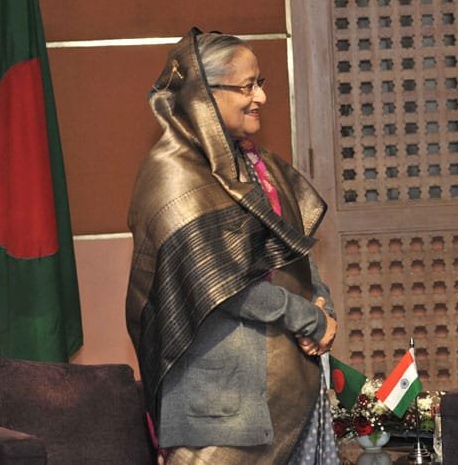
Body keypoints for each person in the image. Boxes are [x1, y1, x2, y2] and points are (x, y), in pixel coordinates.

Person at [126, 28, 340, 464]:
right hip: (219, 406)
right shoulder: (174, 176)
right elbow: (221, 283)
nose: (261, 96)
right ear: (204, 94)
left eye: (260, 83)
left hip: (289, 388)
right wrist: (307, 317)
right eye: (247, 86)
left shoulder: (260, 166)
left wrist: (322, 304)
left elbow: (295, 250)